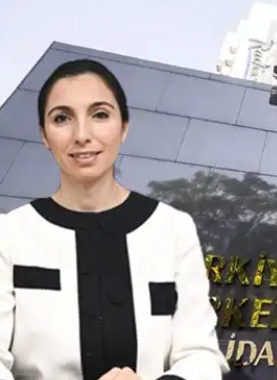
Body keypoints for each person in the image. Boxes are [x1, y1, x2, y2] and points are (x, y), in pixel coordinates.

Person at [0, 59, 229, 379]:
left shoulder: (173, 229)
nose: (82, 135)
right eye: (62, 118)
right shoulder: (10, 234)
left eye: (100, 115)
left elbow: (200, 354)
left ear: (124, 127)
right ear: (44, 135)